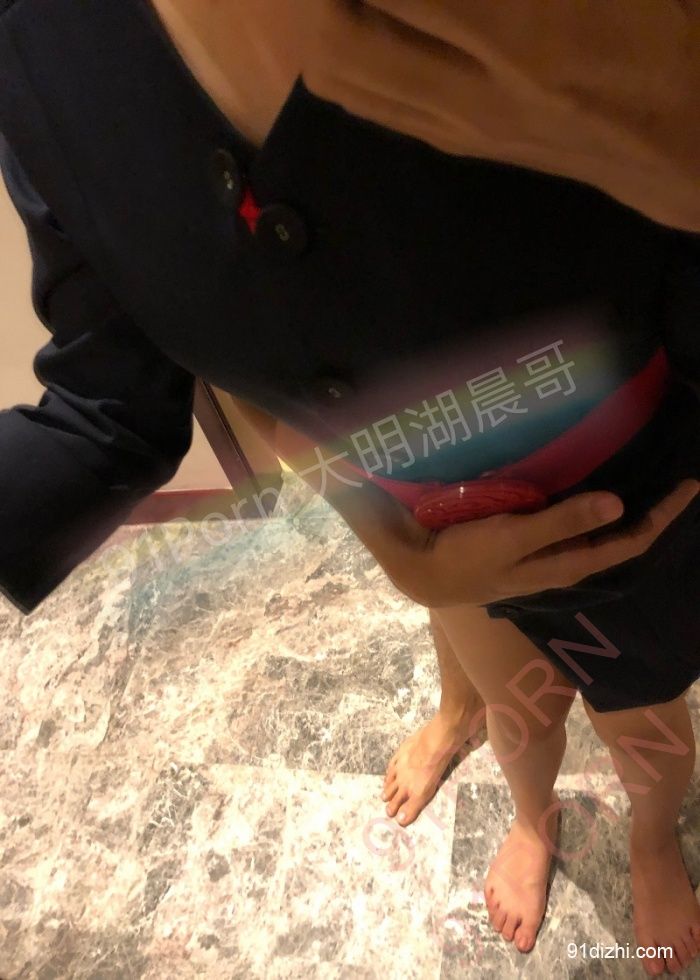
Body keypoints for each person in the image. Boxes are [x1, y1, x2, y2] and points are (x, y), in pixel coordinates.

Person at [0, 0, 698, 972]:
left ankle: (651, 838)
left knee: (643, 727)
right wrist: (389, 542)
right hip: (431, 518)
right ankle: (525, 807)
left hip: (633, 507)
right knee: (519, 714)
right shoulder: (40, 48)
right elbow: (110, 398)